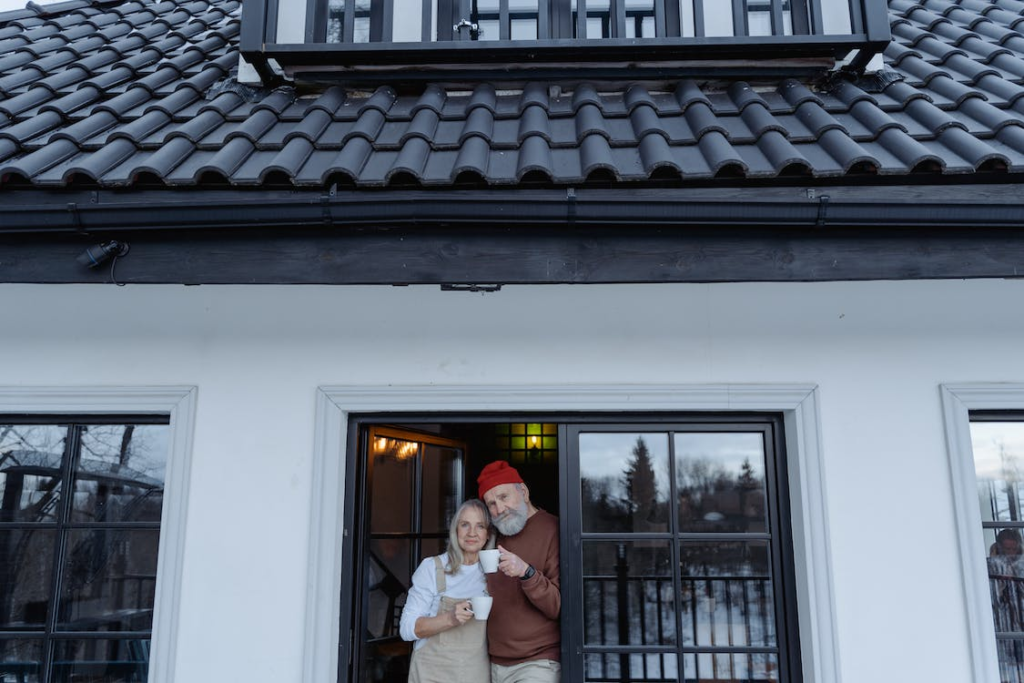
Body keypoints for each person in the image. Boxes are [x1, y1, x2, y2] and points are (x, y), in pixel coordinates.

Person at [477, 460, 561, 683]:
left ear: (523, 491)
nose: (499, 509)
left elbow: (559, 606)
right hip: (491, 663)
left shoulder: (553, 529)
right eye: (491, 503)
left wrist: (527, 572)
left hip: (538, 663)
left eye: (504, 497)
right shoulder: (491, 535)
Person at [399, 499, 493, 683]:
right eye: (465, 525)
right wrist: (450, 618)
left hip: (476, 674)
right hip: (432, 673)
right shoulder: (432, 568)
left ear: (488, 533)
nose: (472, 533)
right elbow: (406, 629)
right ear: (455, 530)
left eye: (480, 526)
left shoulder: (495, 573)